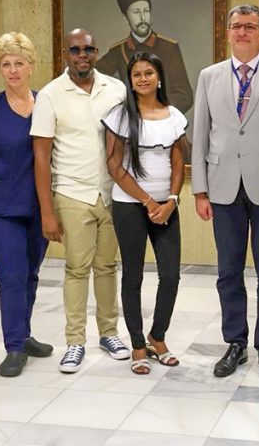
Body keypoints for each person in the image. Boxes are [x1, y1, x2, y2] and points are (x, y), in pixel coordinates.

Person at [191, 4, 259, 381]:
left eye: (250, 27)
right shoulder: (209, 76)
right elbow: (200, 134)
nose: (242, 32)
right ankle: (235, 343)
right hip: (223, 187)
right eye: (236, 26)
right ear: (228, 32)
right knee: (229, 271)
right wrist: (200, 190)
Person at [31, 28, 130, 373]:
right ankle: (75, 341)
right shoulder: (50, 95)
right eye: (75, 50)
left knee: (107, 267)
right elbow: (41, 158)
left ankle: (109, 334)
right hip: (72, 193)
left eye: (88, 49)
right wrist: (47, 211)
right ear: (65, 54)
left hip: (111, 193)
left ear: (96, 52)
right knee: (76, 268)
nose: (82, 55)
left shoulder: (116, 89)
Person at [0, 32, 52, 378]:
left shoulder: (46, 104)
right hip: (2, 208)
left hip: (39, 206)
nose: (13, 70)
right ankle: (14, 347)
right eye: (6, 64)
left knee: (31, 273)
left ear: (31, 66)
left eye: (19, 63)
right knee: (12, 276)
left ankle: (25, 333)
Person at [102, 52, 187, 375]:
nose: (143, 79)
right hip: (130, 206)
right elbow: (114, 166)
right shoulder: (120, 116)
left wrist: (172, 200)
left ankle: (157, 337)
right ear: (130, 80)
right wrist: (149, 202)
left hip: (167, 206)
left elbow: (178, 162)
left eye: (149, 72)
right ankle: (138, 344)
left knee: (171, 274)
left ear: (159, 77)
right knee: (133, 275)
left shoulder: (174, 116)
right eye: (136, 74)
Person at [96, 0, 194, 114]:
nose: (143, 18)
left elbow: (184, 95)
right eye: (136, 12)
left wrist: (156, 110)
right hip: (131, 121)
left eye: (146, 11)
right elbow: (94, 78)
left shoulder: (169, 48)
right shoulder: (118, 51)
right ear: (126, 17)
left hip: (163, 120)